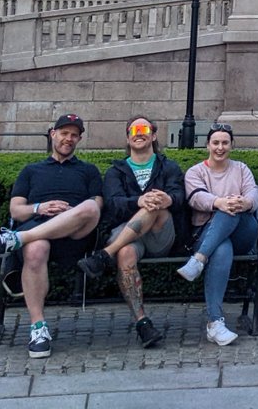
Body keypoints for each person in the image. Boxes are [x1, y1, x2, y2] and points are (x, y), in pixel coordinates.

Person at [0, 112, 102, 359]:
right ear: (53, 134)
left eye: (74, 135)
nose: (68, 139)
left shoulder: (88, 170)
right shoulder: (31, 170)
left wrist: (70, 212)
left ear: (79, 140)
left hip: (75, 235)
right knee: (36, 249)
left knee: (90, 207)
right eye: (64, 133)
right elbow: (16, 210)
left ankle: (16, 239)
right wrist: (39, 207)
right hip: (39, 232)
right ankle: (38, 328)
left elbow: (97, 206)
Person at [76, 115, 186, 347]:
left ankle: (105, 254)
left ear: (153, 135)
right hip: (129, 237)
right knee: (125, 253)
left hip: (160, 236)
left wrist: (167, 199)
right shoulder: (116, 171)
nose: (139, 133)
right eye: (134, 130)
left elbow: (180, 196)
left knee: (155, 206)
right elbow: (113, 204)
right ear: (127, 138)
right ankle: (142, 322)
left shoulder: (169, 167)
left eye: (144, 129)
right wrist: (138, 201)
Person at [178, 123, 258, 346]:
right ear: (208, 145)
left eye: (225, 143)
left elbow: (253, 192)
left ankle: (198, 259)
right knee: (222, 248)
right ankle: (215, 323)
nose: (220, 147)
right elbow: (196, 198)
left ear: (232, 145)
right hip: (207, 234)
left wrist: (244, 202)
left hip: (243, 232)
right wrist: (218, 202)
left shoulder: (241, 169)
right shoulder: (196, 172)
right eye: (215, 143)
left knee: (231, 207)